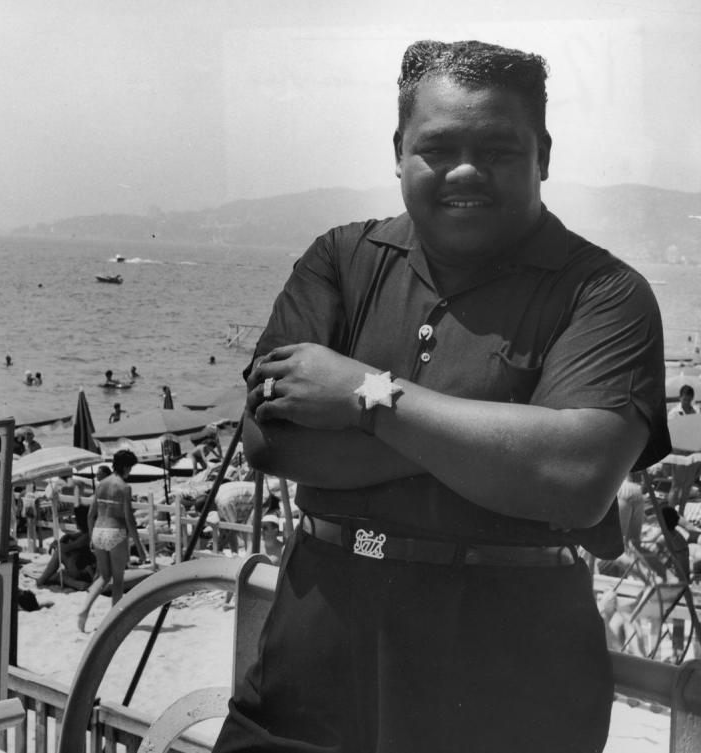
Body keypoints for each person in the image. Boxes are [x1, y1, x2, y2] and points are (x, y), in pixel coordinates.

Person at [214, 40, 670, 753]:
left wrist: (367, 395)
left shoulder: (606, 294)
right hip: (314, 646)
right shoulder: (339, 259)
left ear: (543, 154)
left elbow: (574, 479)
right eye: (438, 147)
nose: (466, 170)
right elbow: (272, 439)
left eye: (498, 149)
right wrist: (493, 448)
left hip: (508, 670)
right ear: (399, 150)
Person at [77, 450, 145, 632]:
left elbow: (91, 515)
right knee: (118, 580)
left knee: (103, 576)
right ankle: (114, 621)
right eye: (130, 467)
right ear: (125, 466)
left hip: (99, 530)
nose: (131, 471)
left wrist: (92, 537)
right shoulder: (124, 487)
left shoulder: (101, 485)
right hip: (115, 532)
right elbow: (129, 520)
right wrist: (139, 546)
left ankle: (84, 610)